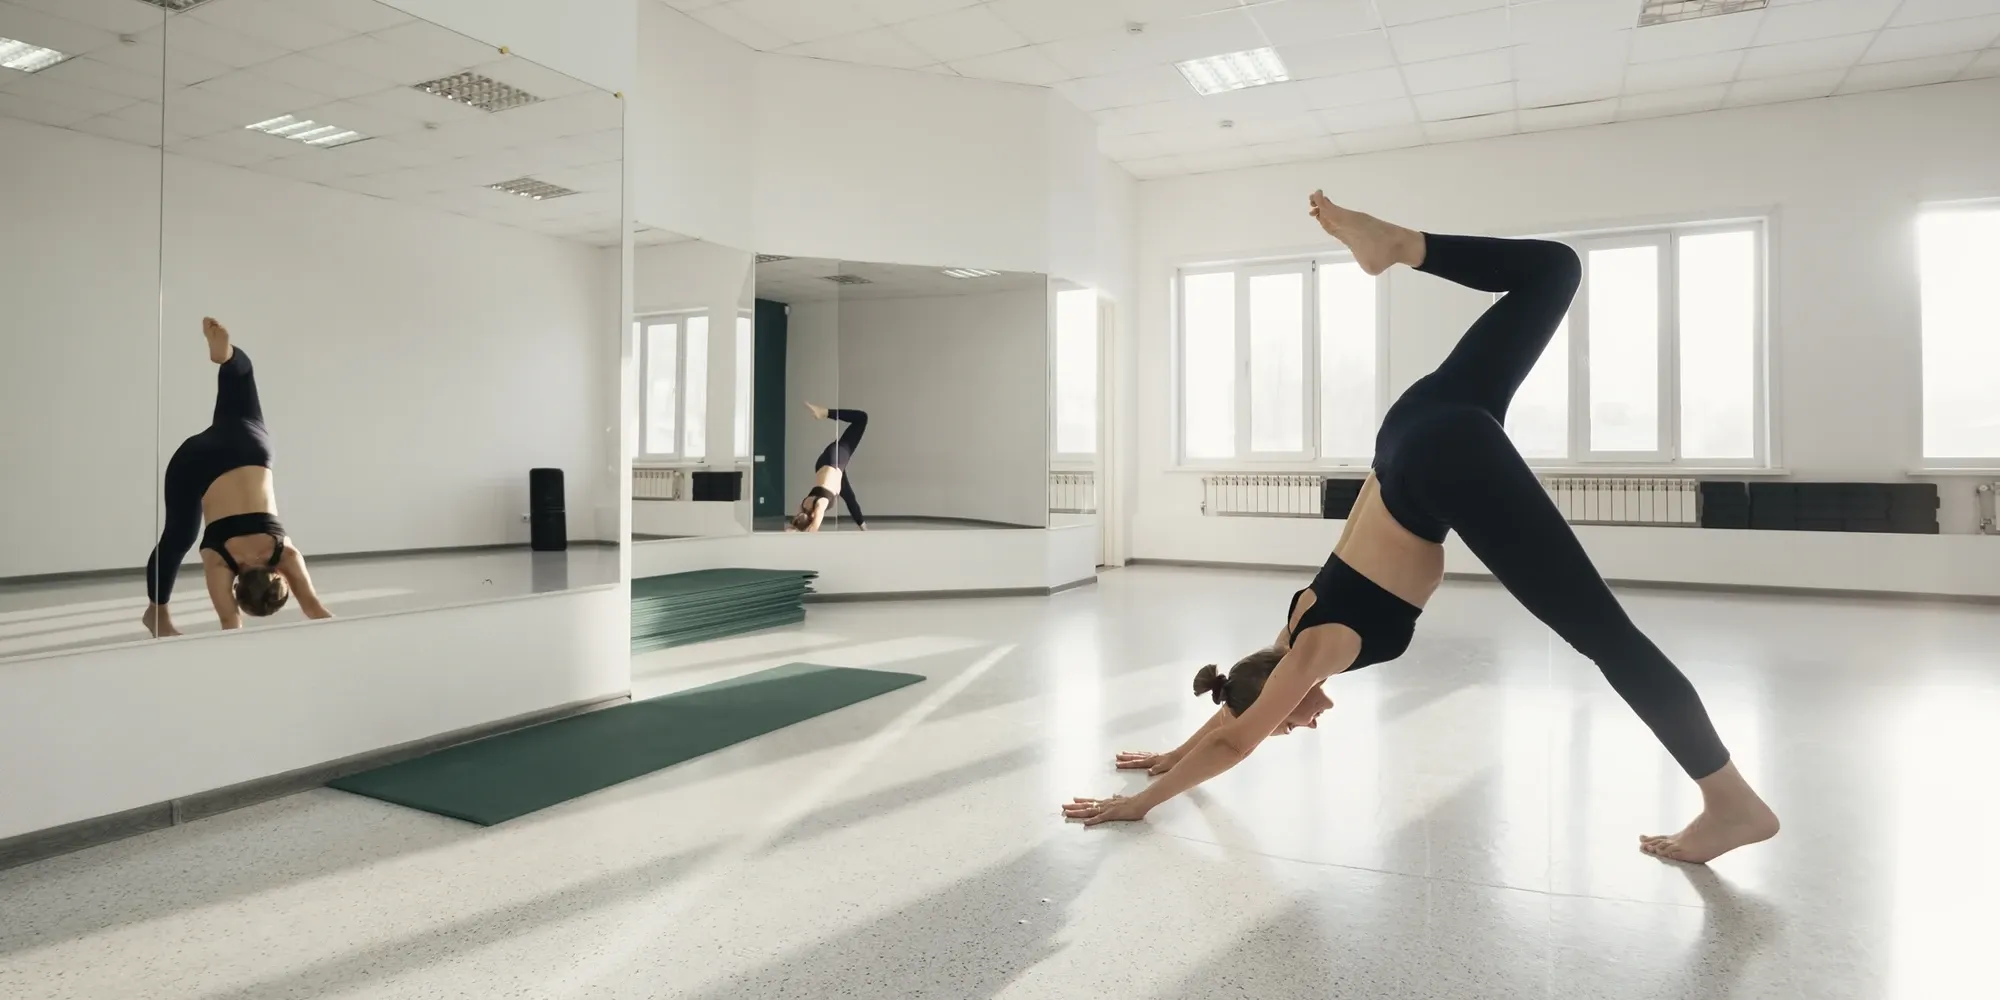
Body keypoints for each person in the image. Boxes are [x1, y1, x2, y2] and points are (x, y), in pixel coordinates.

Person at [1062, 193, 1780, 866]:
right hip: (1412, 427)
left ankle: (1732, 804)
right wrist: (1172, 752)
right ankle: (1403, 246)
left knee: (1609, 638)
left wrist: (1143, 803)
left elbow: (1236, 741)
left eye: (1295, 721)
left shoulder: (1316, 651)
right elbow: (1234, 708)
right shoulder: (1290, 628)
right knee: (1553, 270)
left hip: (1443, 459)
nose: (1309, 720)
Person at [142, 318, 332, 637]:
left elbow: (315, 609)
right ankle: (156, 614)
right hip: (194, 461)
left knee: (241, 382)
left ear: (278, 575)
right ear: (237, 587)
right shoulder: (220, 561)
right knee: (177, 540)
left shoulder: (282, 553)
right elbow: (231, 626)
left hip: (249, 449)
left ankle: (230, 357)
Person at [787, 403, 869, 532]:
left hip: (833, 462)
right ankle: (864, 528)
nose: (797, 515)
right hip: (827, 466)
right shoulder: (809, 505)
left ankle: (824, 412)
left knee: (862, 418)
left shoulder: (815, 505)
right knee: (849, 497)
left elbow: (809, 528)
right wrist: (797, 530)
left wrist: (795, 530)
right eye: (798, 518)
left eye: (795, 517)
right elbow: (812, 528)